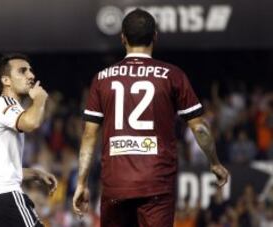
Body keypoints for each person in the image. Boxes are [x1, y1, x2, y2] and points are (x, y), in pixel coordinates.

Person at [72, 9, 229, 227]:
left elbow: (89, 135)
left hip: (116, 184)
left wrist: (81, 182)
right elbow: (200, 128)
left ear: (122, 38)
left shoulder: (101, 79)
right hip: (156, 184)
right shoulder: (172, 75)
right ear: (155, 35)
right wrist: (214, 163)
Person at [0, 54, 58, 227]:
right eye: (23, 71)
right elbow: (31, 122)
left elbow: (0, 171)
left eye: (31, 71)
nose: (31, 76)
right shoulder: (4, 104)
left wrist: (36, 174)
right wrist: (40, 98)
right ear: (6, 80)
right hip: (3, 197)